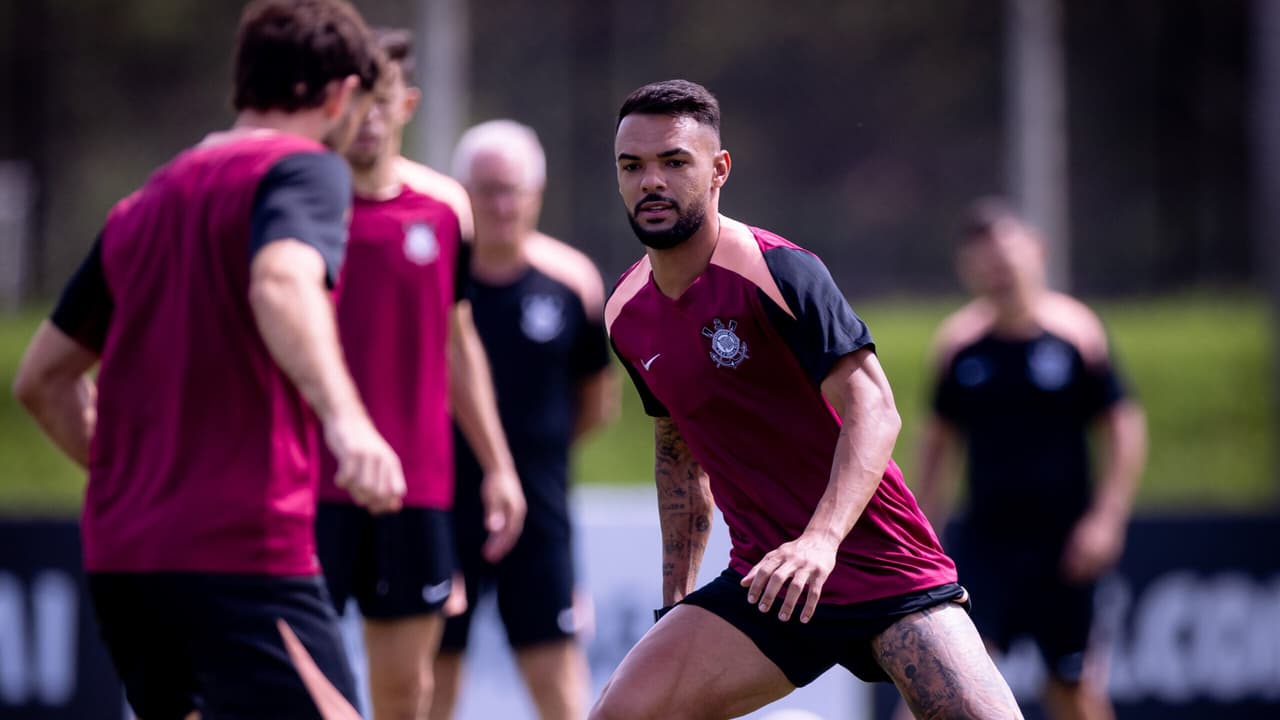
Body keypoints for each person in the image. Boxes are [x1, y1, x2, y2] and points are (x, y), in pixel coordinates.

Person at [11, 1, 399, 718]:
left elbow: (41, 380)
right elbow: (281, 281)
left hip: (126, 564)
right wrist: (348, 422)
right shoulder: (302, 169)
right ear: (340, 94)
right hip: (241, 556)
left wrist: (142, 482)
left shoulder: (141, 204)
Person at [592, 78, 1023, 720]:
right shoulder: (626, 313)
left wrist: (820, 541)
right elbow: (678, 454)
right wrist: (676, 602)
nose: (651, 181)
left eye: (674, 162)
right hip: (769, 584)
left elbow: (874, 408)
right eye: (632, 166)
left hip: (881, 566)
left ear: (718, 170)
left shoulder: (779, 272)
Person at [315, 29, 527, 720]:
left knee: (407, 690)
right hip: (308, 483)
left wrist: (497, 466)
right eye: (353, 100)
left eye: (380, 100)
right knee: (292, 684)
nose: (366, 118)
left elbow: (457, 342)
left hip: (414, 489)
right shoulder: (298, 202)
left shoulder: (444, 207)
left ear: (405, 104)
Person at [914, 199, 1147, 720]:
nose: (998, 272)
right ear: (968, 270)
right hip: (986, 542)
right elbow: (937, 444)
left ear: (1037, 254)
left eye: (1006, 258)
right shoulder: (960, 345)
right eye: (984, 262)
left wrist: (1106, 519)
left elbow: (1123, 427)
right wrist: (925, 530)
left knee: (1072, 687)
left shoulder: (1077, 333)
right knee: (946, 677)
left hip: (1064, 544)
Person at [428, 120, 619, 720]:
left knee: (558, 677)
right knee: (431, 678)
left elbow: (597, 403)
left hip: (538, 512)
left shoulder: (572, 282)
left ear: (536, 194)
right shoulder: (433, 279)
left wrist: (529, 461)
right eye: (485, 190)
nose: (500, 206)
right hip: (441, 507)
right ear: (461, 192)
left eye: (512, 190)